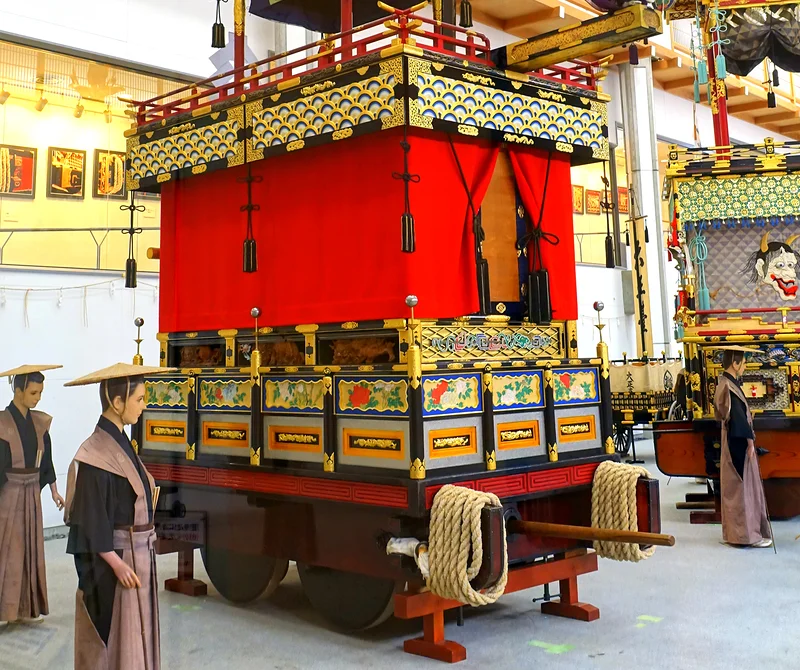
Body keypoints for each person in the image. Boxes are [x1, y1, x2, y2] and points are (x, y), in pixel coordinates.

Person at [64, 362, 172, 670]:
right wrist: (116, 562)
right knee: (117, 643)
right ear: (117, 402)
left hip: (137, 556)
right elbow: (91, 518)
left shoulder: (121, 442)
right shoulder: (95, 454)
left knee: (137, 640)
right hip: (118, 563)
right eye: (139, 399)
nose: (144, 405)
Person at [0, 363, 64, 626]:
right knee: (8, 553)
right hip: (8, 495)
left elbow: (45, 461)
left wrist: (54, 491)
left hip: (31, 495)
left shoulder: (39, 424)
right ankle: (4, 611)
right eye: (34, 393)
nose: (38, 398)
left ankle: (26, 609)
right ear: (18, 391)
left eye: (40, 393)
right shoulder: (2, 424)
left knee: (30, 550)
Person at [713, 347, 772, 548]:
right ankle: (747, 535)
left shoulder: (725, 383)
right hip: (737, 443)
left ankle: (734, 534)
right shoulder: (729, 387)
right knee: (742, 488)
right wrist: (750, 443)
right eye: (744, 363)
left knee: (734, 488)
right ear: (735, 364)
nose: (745, 367)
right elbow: (737, 420)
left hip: (730, 440)